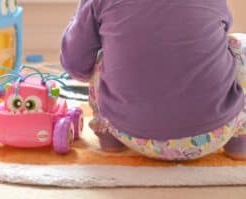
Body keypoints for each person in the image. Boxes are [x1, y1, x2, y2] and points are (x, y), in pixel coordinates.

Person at [60, 0, 246, 160]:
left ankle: (109, 137)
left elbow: (77, 65)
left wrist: (78, 18)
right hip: (217, 131)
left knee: (102, 58)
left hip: (129, 134)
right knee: (236, 46)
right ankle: (239, 140)